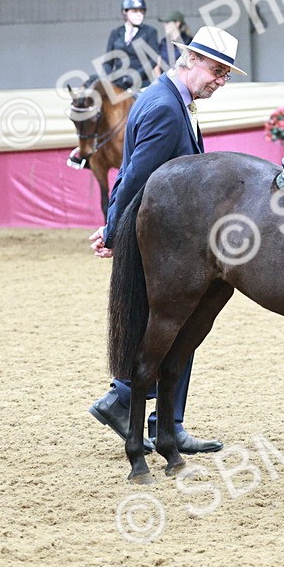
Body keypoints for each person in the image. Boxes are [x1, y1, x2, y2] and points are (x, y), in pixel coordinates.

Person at [87, 25, 245, 455]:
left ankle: (161, 420)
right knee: (175, 323)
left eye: (226, 74)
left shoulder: (165, 97)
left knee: (179, 324)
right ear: (191, 59)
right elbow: (136, 177)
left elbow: (129, 172)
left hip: (169, 233)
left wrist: (110, 223)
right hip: (166, 236)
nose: (221, 80)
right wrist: (114, 231)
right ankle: (132, 404)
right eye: (217, 70)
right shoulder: (165, 108)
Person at [102, 0, 161, 90]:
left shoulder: (150, 32)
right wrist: (110, 78)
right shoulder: (116, 33)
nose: (139, 14)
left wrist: (136, 76)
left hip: (142, 83)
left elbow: (153, 59)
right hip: (119, 83)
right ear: (125, 12)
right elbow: (108, 62)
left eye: (141, 11)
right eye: (135, 11)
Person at [155, 10, 194, 76]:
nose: (164, 26)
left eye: (167, 23)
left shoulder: (189, 42)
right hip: (164, 79)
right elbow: (157, 66)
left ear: (177, 23)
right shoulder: (163, 42)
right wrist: (160, 80)